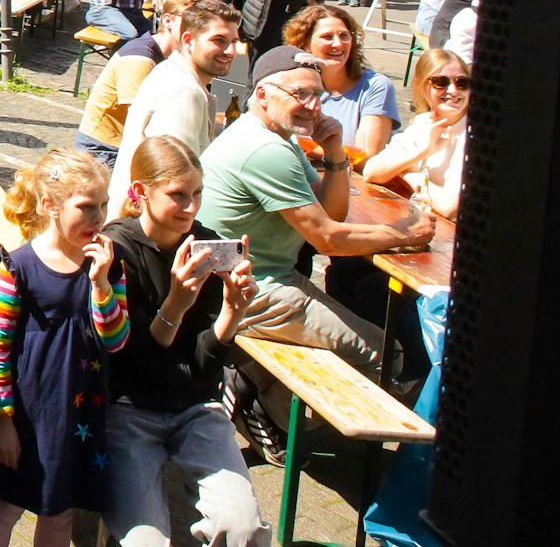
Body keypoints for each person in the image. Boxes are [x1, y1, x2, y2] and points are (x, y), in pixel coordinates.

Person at [197, 46, 433, 458]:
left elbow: (332, 210)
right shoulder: (265, 149)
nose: (312, 105)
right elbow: (329, 240)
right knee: (387, 355)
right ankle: (272, 414)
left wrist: (335, 152)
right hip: (243, 290)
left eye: (318, 95)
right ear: (263, 94)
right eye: (300, 94)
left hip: (246, 279)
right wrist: (401, 233)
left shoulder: (277, 137)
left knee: (356, 305)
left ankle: (259, 386)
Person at [102, 137, 266, 547]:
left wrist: (232, 310)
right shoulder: (115, 252)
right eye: (178, 195)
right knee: (145, 542)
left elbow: (203, 367)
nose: (191, 207)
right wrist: (176, 302)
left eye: (197, 194)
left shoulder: (205, 246)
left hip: (194, 407)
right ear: (140, 193)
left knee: (243, 528)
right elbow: (133, 364)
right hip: (129, 407)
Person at [0, 149, 130, 547]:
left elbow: (116, 340)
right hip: (28, 411)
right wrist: (2, 420)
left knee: (60, 514)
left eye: (103, 205)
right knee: (4, 506)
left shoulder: (110, 265)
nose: (98, 217)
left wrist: (100, 286)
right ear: (50, 205)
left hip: (80, 413)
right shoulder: (17, 267)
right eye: (85, 207)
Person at [111, 0, 241, 199]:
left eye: (234, 42)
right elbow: (177, 181)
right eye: (219, 40)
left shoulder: (176, 74)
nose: (230, 51)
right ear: (189, 40)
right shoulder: (183, 93)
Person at [75, 0, 201, 164]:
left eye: (201, 25)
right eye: (189, 22)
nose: (195, 30)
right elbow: (140, 123)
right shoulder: (140, 59)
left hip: (119, 145)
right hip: (104, 149)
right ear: (168, 21)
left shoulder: (168, 57)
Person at [281, 2, 398, 157]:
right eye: (327, 37)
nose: (338, 43)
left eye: (344, 36)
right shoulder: (288, 81)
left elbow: (366, 156)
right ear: (305, 43)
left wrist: (309, 151)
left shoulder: (376, 86)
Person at [361, 48, 467, 219]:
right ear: (421, 86)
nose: (454, 90)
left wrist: (405, 171)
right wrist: (423, 151)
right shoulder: (423, 122)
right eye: (441, 82)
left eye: (462, 82)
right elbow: (371, 171)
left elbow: (449, 207)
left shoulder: (473, 135)